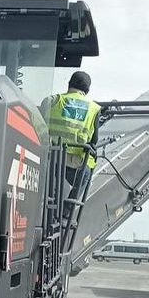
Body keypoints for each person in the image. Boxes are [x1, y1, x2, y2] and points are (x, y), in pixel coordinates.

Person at [46, 70, 99, 203]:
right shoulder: (94, 109)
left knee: (52, 185)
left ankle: (51, 200)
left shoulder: (53, 100)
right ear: (87, 89)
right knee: (86, 174)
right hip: (74, 163)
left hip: (50, 158)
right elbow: (94, 140)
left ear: (69, 84)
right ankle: (67, 210)